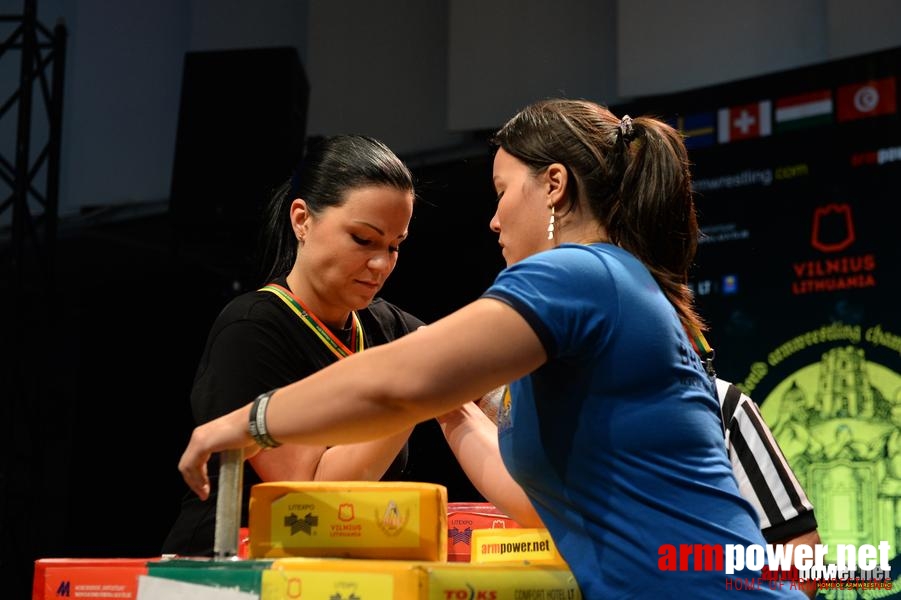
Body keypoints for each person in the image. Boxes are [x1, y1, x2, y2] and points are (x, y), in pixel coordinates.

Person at [178, 99, 805, 597]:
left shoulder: (577, 275)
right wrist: (450, 406)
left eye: (503, 192)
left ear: (554, 185)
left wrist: (247, 421)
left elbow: (399, 383)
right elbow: (532, 499)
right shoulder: (599, 296)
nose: (494, 220)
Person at [163, 134, 425, 556]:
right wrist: (419, 392)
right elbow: (315, 491)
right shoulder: (250, 329)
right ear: (302, 219)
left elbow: (474, 374)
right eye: (363, 239)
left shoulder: (386, 326)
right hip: (230, 569)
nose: (381, 264)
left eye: (395, 246)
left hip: (330, 566)